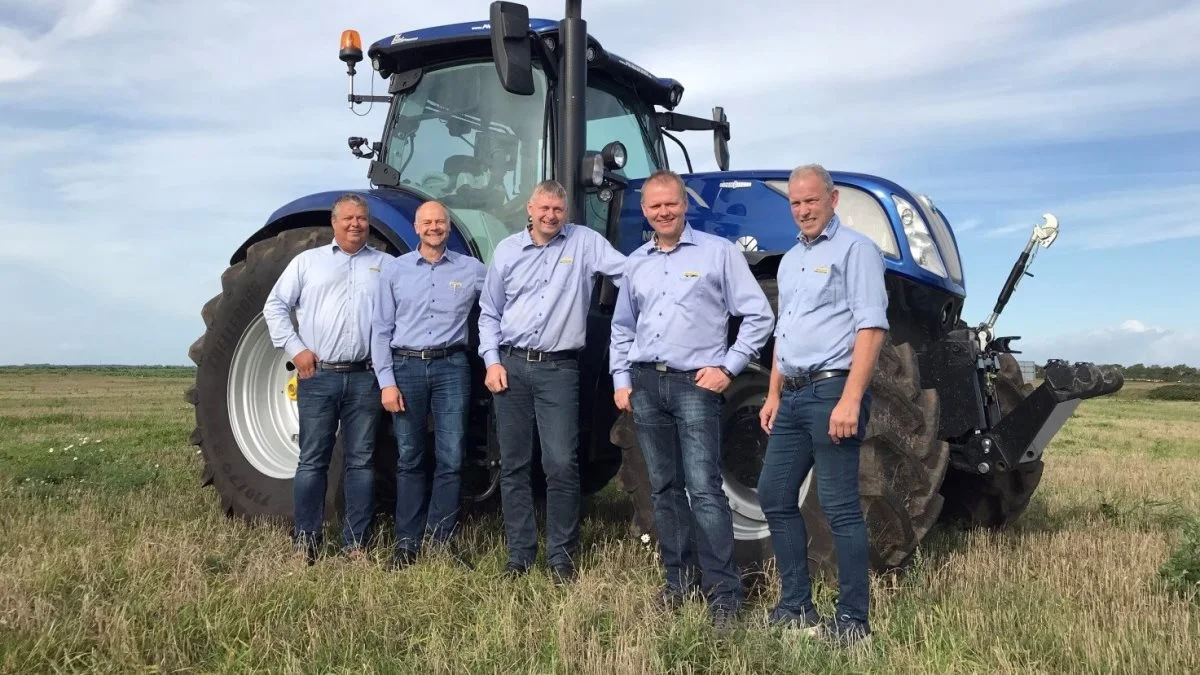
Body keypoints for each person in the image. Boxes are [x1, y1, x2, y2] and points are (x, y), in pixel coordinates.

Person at [609, 169, 774, 629]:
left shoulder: (718, 253)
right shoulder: (636, 262)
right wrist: (621, 379)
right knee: (664, 490)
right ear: (645, 211)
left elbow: (758, 315)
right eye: (654, 206)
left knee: (704, 490)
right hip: (646, 386)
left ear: (684, 206)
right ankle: (678, 583)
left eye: (671, 204)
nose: (663, 212)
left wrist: (728, 367)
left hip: (694, 388)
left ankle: (725, 595)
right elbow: (623, 328)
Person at [756, 163, 888, 647]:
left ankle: (853, 622)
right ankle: (796, 606)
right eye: (795, 202)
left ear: (833, 200)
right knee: (773, 494)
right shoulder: (790, 260)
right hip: (792, 394)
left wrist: (852, 399)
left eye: (812, 200)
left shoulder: (857, 250)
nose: (803, 210)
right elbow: (782, 332)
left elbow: (871, 327)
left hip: (833, 391)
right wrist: (772, 393)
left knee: (839, 508)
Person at [478, 179, 627, 583]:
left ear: (566, 212)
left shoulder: (584, 242)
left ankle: (561, 557)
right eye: (543, 209)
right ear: (530, 209)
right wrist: (491, 361)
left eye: (557, 210)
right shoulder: (507, 251)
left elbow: (627, 272)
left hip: (560, 370)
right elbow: (489, 312)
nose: (550, 216)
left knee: (561, 463)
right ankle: (520, 556)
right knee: (515, 465)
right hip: (511, 367)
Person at [262, 193, 393, 564]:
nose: (356, 224)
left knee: (362, 462)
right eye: (348, 218)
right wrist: (296, 348)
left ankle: (355, 545)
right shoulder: (308, 262)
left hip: (365, 378)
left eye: (362, 218)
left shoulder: (385, 266)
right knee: (312, 460)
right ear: (334, 223)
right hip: (319, 376)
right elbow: (275, 306)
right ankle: (306, 541)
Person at [371, 200, 486, 570]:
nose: (434, 227)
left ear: (448, 228)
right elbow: (380, 330)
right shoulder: (395, 270)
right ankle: (406, 544)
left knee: (451, 458)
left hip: (452, 366)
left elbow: (504, 300)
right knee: (411, 458)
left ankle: (441, 541)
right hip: (406, 367)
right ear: (417, 228)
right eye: (427, 222)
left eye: (440, 221)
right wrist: (386, 382)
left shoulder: (472, 270)